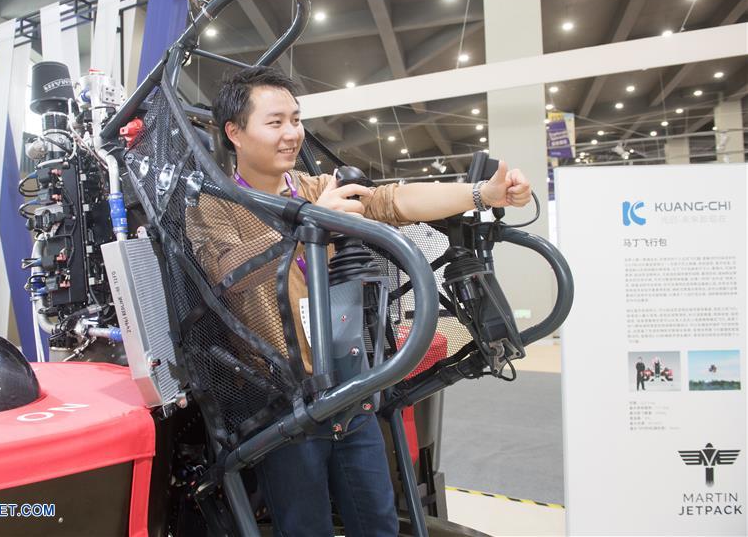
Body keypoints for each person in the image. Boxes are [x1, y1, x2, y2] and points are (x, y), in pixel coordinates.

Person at [189, 66, 532, 536]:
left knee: (378, 523)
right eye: (275, 122)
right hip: (284, 404)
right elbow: (226, 275)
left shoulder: (314, 188)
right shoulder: (214, 206)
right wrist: (306, 224)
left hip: (351, 391)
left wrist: (481, 193)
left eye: (296, 118)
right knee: (305, 527)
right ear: (235, 133)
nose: (292, 133)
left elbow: (392, 202)